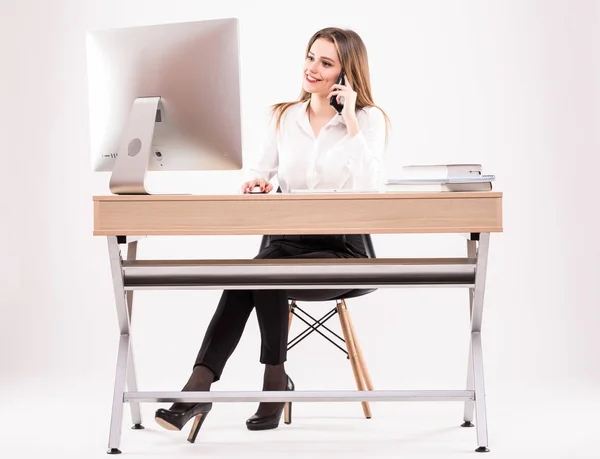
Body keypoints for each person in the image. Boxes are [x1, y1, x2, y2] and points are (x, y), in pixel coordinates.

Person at [154, 26, 390, 443]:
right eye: (310, 57)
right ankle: (225, 386)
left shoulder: (368, 121)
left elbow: (371, 188)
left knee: (261, 273)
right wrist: (257, 184)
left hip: (342, 250)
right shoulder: (284, 116)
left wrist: (350, 117)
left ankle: (221, 387)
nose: (312, 68)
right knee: (258, 272)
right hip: (286, 242)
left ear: (345, 73)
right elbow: (261, 171)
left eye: (326, 62)